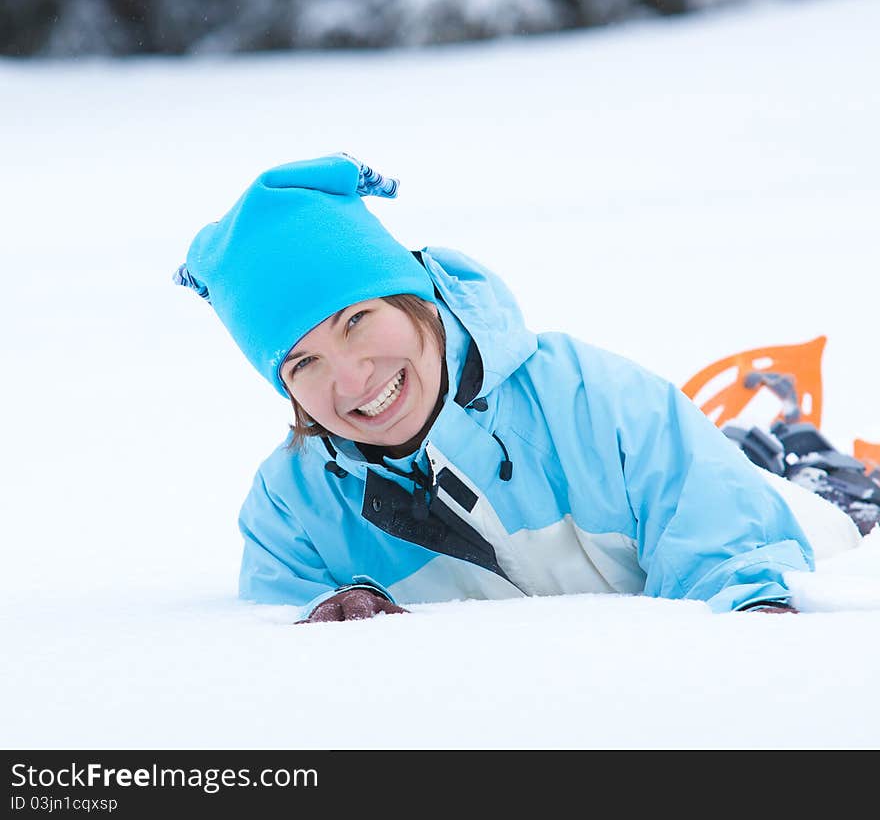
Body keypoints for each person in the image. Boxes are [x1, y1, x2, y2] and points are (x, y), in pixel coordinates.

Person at [174, 152, 861, 623]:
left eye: (357, 320)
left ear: (416, 301)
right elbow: (274, 632)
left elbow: (734, 550)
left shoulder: (590, 399)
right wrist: (333, 614)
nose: (351, 379)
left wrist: (753, 616)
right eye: (303, 364)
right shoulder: (293, 509)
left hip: (784, 519)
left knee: (827, 507)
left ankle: (797, 454)